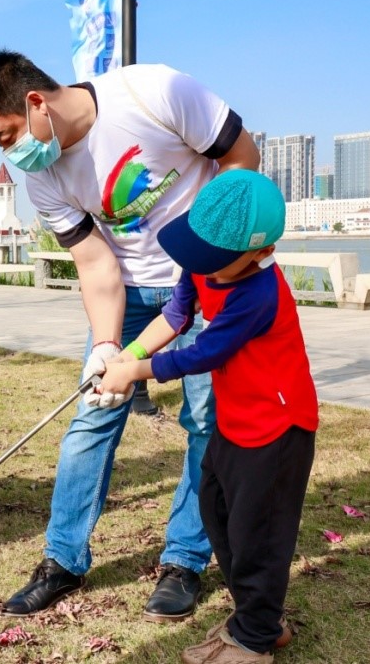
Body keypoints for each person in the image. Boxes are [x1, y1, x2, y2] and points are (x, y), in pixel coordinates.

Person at [0, 50, 260, 620]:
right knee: (92, 416)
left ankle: (183, 560)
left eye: (5, 136)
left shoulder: (155, 93)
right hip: (132, 295)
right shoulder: (42, 174)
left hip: (204, 286)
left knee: (204, 423)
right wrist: (105, 346)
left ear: (36, 102)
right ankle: (62, 559)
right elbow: (96, 265)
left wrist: (223, 264)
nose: (9, 152)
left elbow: (241, 158)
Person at [98, 170, 316, 664]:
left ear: (260, 252)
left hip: (278, 430)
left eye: (215, 260)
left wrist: (137, 372)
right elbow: (176, 315)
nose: (202, 268)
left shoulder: (259, 294)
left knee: (258, 532)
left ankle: (256, 637)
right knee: (218, 512)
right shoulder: (204, 262)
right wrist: (123, 355)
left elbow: (204, 353)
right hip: (236, 421)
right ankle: (256, 618)